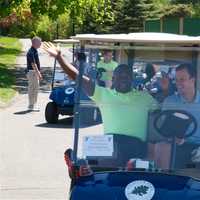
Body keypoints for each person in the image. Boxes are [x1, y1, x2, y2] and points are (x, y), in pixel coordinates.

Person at [43, 42, 158, 166]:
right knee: (99, 145)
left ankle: (83, 165)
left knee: (113, 151)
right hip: (111, 142)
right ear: (113, 80)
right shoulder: (103, 94)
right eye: (119, 77)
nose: (123, 79)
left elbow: (162, 110)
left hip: (135, 144)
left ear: (132, 79)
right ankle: (81, 165)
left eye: (126, 77)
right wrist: (59, 58)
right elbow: (78, 77)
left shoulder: (144, 97)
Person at [161, 63, 200, 168]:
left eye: (182, 79)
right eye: (176, 80)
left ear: (193, 80)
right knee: (164, 149)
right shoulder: (169, 102)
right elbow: (164, 131)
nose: (178, 84)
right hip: (176, 146)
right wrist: (172, 138)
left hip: (198, 147)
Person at [26, 36, 42, 111]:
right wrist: (38, 73)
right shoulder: (31, 51)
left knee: (35, 88)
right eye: (39, 42)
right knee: (32, 89)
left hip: (34, 72)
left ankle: (32, 105)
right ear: (35, 43)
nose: (40, 43)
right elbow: (33, 64)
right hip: (32, 72)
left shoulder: (34, 50)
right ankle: (31, 105)